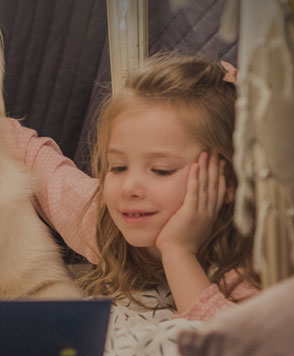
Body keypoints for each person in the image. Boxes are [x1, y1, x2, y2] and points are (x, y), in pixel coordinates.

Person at [73, 55, 259, 320]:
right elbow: (38, 163)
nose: (129, 188)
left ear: (228, 179)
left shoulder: (245, 269)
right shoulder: (106, 226)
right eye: (117, 167)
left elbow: (238, 348)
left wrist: (178, 252)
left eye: (161, 170)